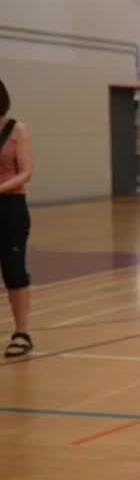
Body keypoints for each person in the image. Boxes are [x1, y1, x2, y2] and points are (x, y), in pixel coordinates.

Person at [0, 80, 35, 357]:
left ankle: (22, 332)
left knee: (13, 269)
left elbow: (26, 172)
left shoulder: (17, 129)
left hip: (10, 206)